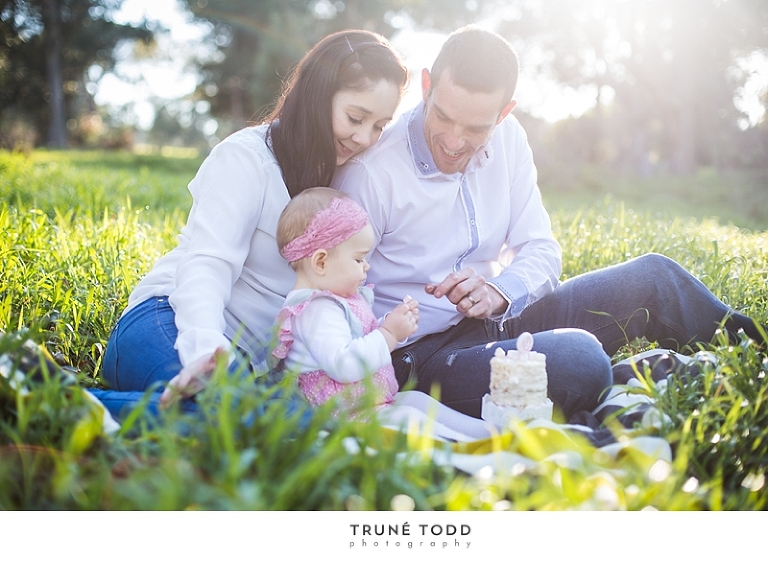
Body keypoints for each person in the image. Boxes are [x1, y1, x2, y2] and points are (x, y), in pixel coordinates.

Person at [331, 25, 767, 421]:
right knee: (580, 362)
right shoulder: (372, 172)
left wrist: (498, 291)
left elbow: (541, 249)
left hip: (497, 321)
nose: (453, 140)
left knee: (655, 276)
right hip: (417, 356)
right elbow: (332, 299)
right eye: (443, 116)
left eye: (476, 127)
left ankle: (758, 360)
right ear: (426, 86)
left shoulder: (510, 139)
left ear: (504, 113)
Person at [89, 30, 410, 419]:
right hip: (172, 325)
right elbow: (208, 265)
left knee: (300, 436)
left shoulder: (343, 179)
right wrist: (205, 349)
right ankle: (53, 403)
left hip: (250, 364)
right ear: (317, 96)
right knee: (231, 424)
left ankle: (89, 411)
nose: (364, 137)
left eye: (379, 126)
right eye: (356, 118)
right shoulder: (247, 158)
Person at [270, 187, 496, 441]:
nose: (367, 266)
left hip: (367, 404)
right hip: (344, 417)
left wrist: (387, 324)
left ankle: (484, 432)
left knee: (415, 400)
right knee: (408, 417)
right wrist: (388, 334)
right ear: (321, 262)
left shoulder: (337, 301)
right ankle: (463, 445)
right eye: (358, 259)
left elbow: (355, 336)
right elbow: (344, 364)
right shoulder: (316, 309)